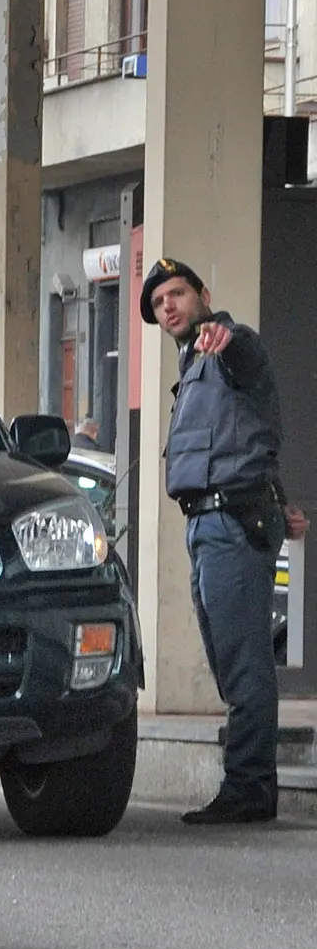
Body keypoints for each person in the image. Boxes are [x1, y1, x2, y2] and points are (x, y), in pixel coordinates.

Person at [141, 256, 310, 826]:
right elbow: (252, 435)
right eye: (160, 300)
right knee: (230, 658)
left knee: (244, 664)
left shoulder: (232, 349)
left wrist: (225, 335)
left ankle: (250, 786)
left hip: (230, 524)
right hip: (207, 523)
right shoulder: (192, 369)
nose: (169, 305)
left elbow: (241, 351)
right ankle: (248, 781)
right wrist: (280, 497)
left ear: (203, 295)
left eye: (178, 293)